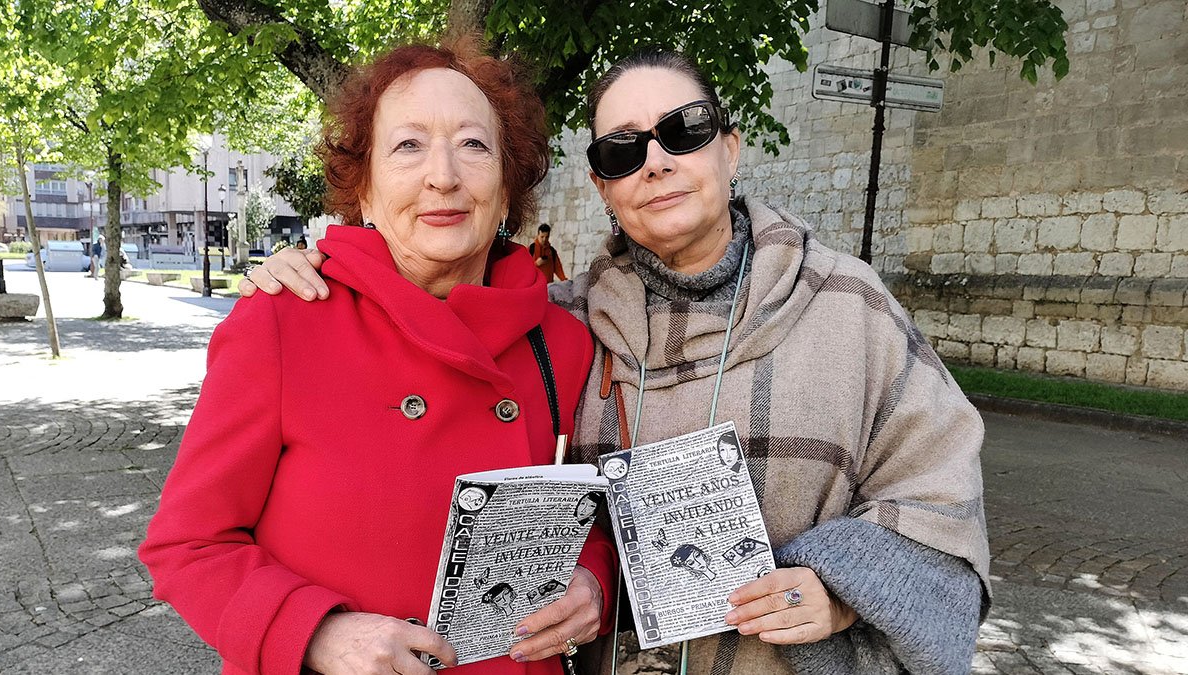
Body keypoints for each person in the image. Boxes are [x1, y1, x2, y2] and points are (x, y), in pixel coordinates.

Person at [244, 49, 990, 675]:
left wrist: (843, 586)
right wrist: (318, 271)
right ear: (602, 185)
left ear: (729, 147)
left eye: (684, 131)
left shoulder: (849, 305)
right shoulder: (565, 325)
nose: (657, 162)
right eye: (623, 149)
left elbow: (940, 484)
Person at [139, 40, 617, 675]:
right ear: (362, 192)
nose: (442, 175)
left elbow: (591, 514)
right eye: (408, 146)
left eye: (474, 145)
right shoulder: (283, 318)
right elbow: (188, 544)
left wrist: (593, 586)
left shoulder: (565, 341)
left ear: (506, 193)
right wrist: (315, 634)